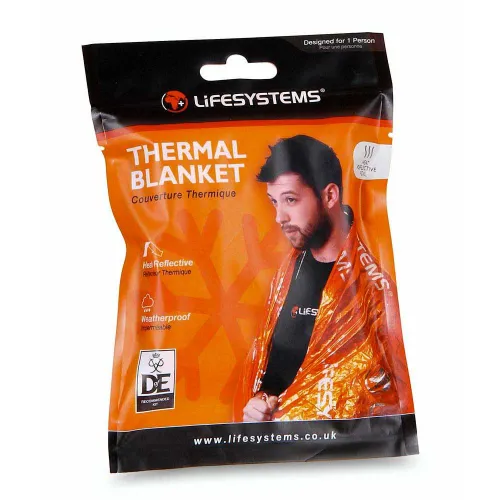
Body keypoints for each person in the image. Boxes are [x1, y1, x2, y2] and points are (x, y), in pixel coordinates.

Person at [237, 135, 414, 422]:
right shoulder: (287, 272)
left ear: (330, 196)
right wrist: (259, 402)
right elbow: (270, 372)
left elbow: (397, 400)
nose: (279, 217)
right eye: (274, 202)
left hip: (335, 445)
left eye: (290, 200)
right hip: (273, 443)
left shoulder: (373, 290)